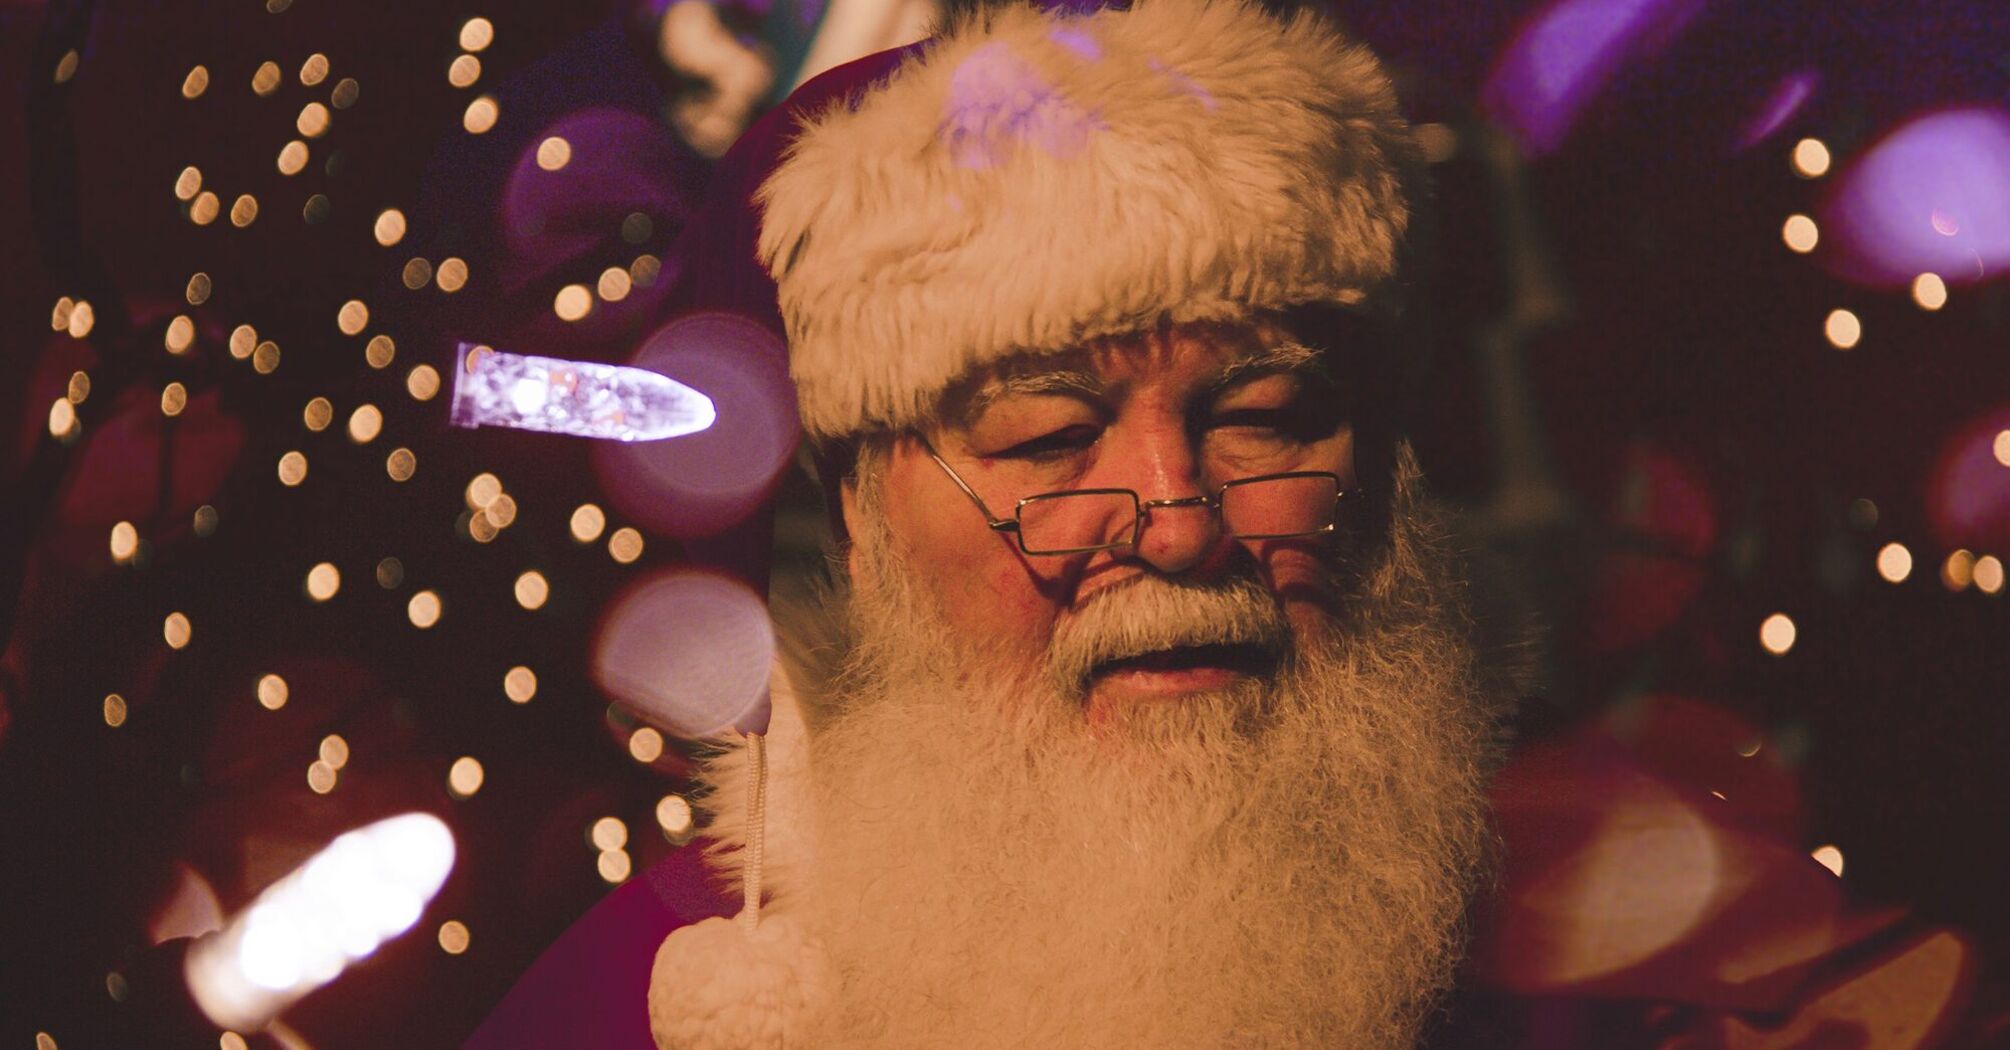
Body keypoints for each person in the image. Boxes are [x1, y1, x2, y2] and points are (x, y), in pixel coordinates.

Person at [640, 0, 1519, 1046]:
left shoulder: (1635, 973)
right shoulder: (628, 1008)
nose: (1179, 528)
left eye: (1263, 419)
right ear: (860, 532)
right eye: (1050, 437)